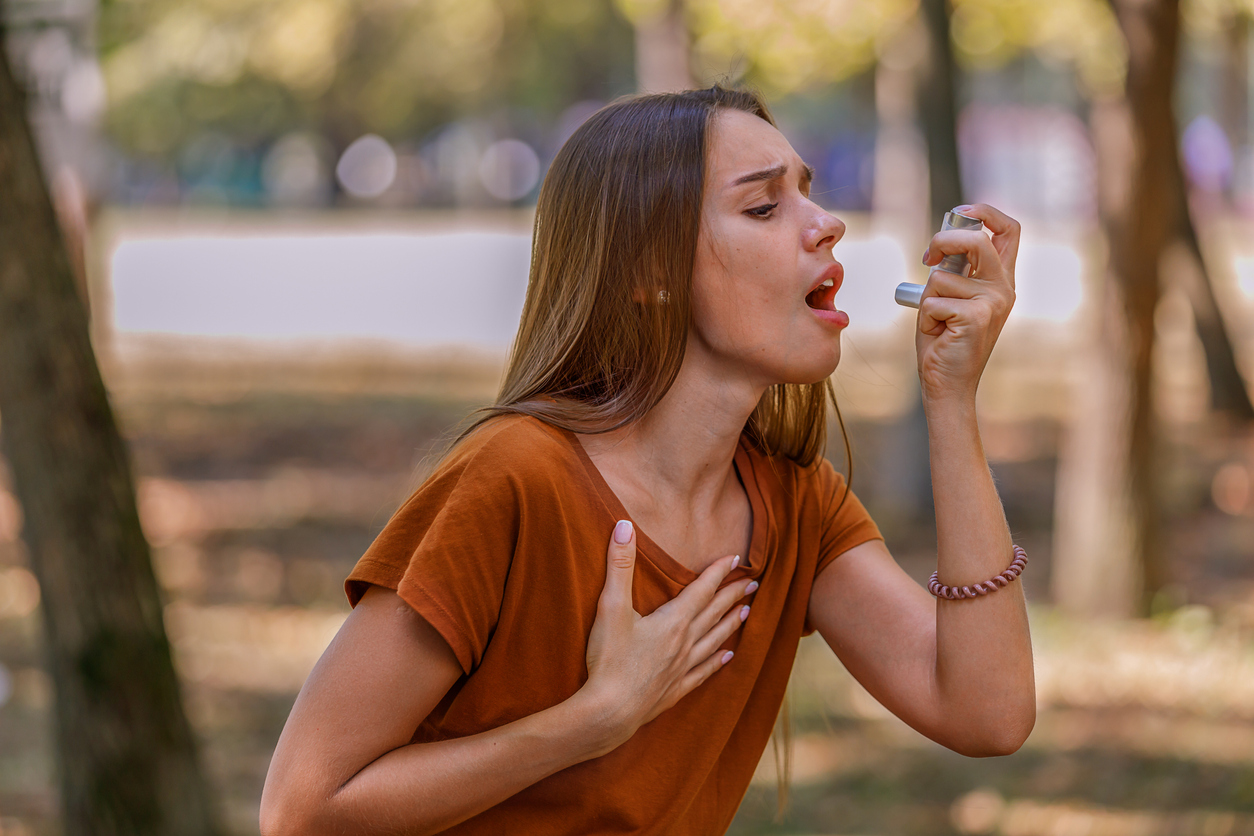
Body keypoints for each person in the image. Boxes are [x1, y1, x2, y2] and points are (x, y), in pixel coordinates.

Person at [259, 85, 1035, 836]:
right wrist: (592, 721)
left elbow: (986, 714)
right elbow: (300, 810)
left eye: (808, 193)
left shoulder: (795, 503)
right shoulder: (515, 478)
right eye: (764, 206)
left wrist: (950, 396)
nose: (826, 224)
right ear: (649, 275)